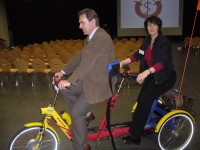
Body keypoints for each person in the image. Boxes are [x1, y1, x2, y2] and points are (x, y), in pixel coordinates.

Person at [55, 8, 115, 150]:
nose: (79, 26)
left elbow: (88, 63)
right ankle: (87, 115)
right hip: (90, 79)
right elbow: (80, 57)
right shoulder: (91, 38)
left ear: (92, 21)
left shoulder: (101, 37)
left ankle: (81, 147)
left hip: (100, 83)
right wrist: (63, 71)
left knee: (76, 113)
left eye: (82, 23)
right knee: (66, 91)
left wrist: (69, 80)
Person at [120, 16, 177, 145]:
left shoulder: (164, 41)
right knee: (141, 101)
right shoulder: (147, 40)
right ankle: (142, 124)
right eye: (149, 25)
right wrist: (124, 61)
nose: (151, 27)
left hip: (165, 77)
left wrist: (146, 72)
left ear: (159, 27)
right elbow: (138, 54)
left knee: (143, 103)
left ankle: (135, 136)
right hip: (153, 76)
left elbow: (162, 63)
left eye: (154, 25)